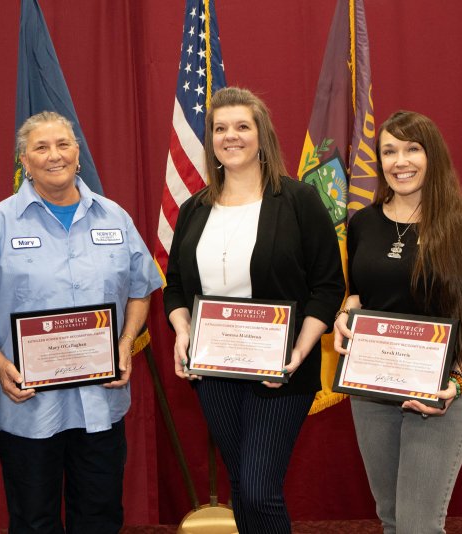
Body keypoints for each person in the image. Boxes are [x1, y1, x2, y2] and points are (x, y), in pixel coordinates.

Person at [0, 111, 161, 534]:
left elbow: (142, 288)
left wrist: (125, 342)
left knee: (101, 517)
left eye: (63, 144)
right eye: (41, 147)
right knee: (34, 521)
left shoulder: (115, 218)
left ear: (78, 154)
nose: (55, 155)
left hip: (101, 405)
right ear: (24, 160)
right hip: (29, 407)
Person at [163, 87, 345, 533]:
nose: (231, 136)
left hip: (281, 370)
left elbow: (328, 286)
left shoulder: (299, 201)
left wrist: (299, 353)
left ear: (261, 136)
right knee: (243, 487)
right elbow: (177, 288)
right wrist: (182, 333)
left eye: (242, 126)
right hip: (214, 372)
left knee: (260, 488)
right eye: (220, 129)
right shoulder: (192, 209)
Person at [333, 110, 462, 534]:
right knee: (392, 520)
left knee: (419, 526)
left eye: (412, 149)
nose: (399, 161)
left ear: (433, 157)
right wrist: (343, 315)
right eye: (388, 151)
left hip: (439, 391)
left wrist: (458, 383)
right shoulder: (364, 224)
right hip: (371, 392)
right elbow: (360, 293)